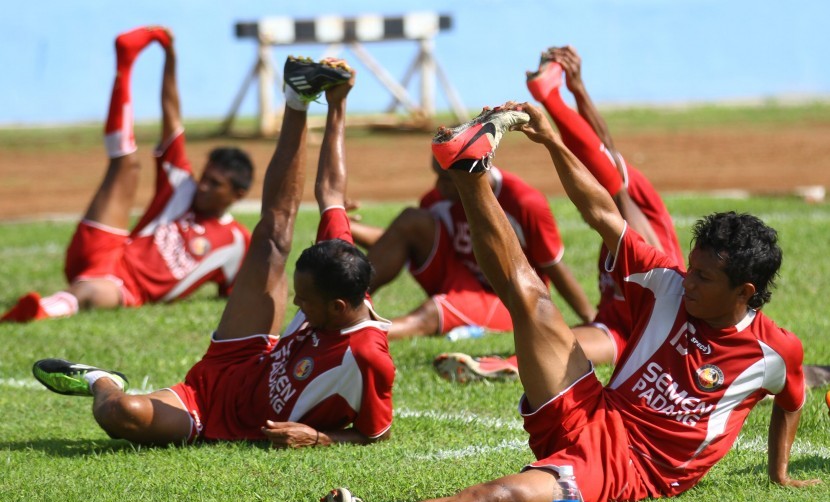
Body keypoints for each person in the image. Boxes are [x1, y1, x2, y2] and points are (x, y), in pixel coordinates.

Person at [310, 103, 819, 502]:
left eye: (704, 278)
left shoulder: (775, 351)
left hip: (628, 468)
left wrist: (780, 474)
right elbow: (601, 211)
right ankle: (469, 172)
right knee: (530, 296)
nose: (688, 281)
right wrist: (551, 140)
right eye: (692, 267)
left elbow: (791, 399)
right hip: (592, 404)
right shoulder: (669, 283)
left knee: (500, 496)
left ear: (744, 292)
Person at [31, 57, 397, 449]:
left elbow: (377, 433)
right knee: (273, 238)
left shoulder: (368, 356)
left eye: (304, 300)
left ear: (339, 308)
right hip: (245, 353)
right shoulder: (341, 262)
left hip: (210, 413)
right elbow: (331, 192)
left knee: (121, 416)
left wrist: (319, 438)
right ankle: (297, 97)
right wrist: (338, 105)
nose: (295, 303)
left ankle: (100, 379)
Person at [434, 45, 685, 381]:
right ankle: (501, 364)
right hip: (619, 326)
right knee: (611, 177)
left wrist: (558, 119)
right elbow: (604, 151)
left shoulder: (641, 235)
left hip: (650, 322)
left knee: (615, 193)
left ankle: (503, 365)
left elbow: (607, 169)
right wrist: (574, 91)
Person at [1, 26, 253, 323]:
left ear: (237, 194)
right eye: (204, 177)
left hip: (128, 288)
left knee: (88, 293)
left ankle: (38, 310)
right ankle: (125, 63)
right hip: (108, 249)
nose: (203, 186)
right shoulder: (181, 184)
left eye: (215, 184)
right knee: (126, 164)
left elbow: (235, 291)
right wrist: (170, 56)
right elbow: (172, 114)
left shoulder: (237, 241)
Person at [349, 158, 595, 342]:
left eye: (447, 178)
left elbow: (554, 266)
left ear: (477, 171)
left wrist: (591, 321)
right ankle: (345, 301)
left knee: (431, 313)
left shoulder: (523, 202)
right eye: (437, 175)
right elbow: (395, 242)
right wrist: (342, 220)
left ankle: (358, 334)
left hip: (508, 299)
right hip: (460, 278)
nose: (438, 186)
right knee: (411, 220)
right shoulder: (437, 198)